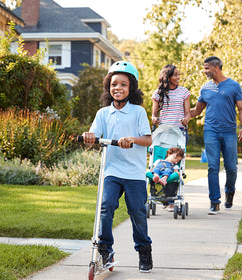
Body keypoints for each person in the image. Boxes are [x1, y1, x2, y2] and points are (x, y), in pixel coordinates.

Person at [82, 61, 153, 273]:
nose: (118, 88)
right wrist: (89, 136)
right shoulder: (103, 113)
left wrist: (132, 139)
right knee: (105, 206)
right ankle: (105, 250)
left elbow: (148, 140)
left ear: (131, 88)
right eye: (114, 84)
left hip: (134, 173)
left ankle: (144, 250)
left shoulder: (138, 112)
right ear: (108, 87)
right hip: (111, 170)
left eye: (123, 84)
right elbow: (94, 135)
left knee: (137, 212)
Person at [190, 56, 242, 215]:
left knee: (231, 168)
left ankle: (230, 192)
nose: (205, 71)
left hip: (229, 131)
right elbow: (197, 111)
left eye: (207, 68)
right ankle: (214, 202)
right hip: (211, 131)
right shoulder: (205, 88)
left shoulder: (233, 86)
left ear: (216, 68)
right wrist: (181, 115)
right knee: (212, 167)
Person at [151, 64, 191, 131]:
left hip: (180, 130)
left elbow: (188, 113)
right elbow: (154, 115)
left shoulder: (184, 91)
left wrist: (186, 119)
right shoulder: (158, 93)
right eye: (175, 75)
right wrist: (154, 119)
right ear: (168, 77)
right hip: (164, 130)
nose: (178, 77)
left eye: (178, 75)